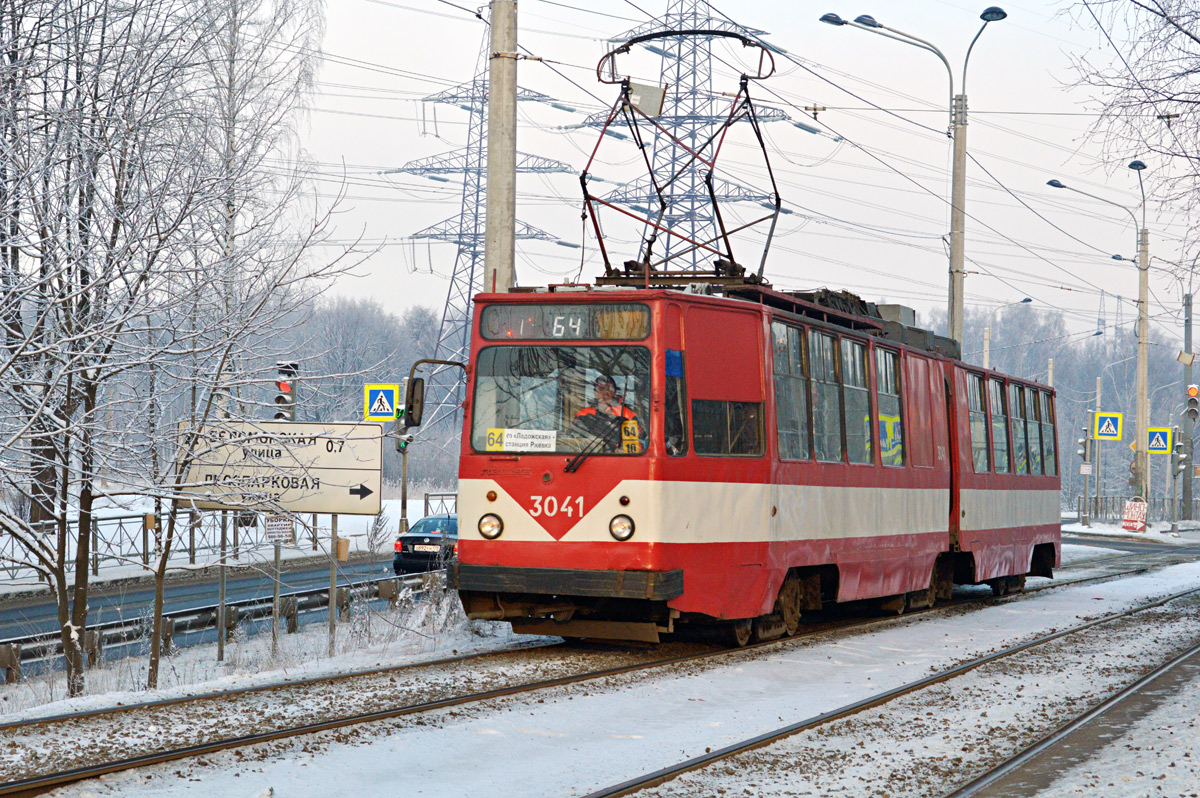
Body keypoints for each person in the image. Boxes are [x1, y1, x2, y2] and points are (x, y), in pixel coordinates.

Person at [575, 375, 642, 452]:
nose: (602, 392)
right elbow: (573, 439)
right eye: (598, 388)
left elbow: (636, 446)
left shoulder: (627, 414)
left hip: (617, 460)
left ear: (613, 392)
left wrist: (623, 451)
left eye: (607, 388)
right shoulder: (582, 414)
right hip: (587, 458)